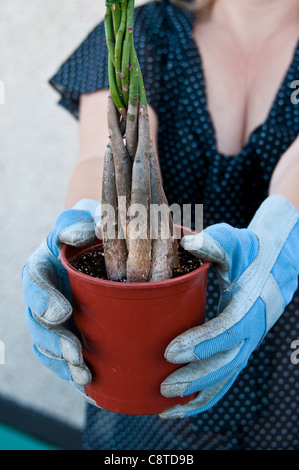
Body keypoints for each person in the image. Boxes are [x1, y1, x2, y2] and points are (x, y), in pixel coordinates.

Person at [22, 0, 299, 450]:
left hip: (286, 373)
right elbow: (102, 153)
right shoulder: (144, 30)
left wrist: (280, 245)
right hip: (141, 387)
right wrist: (94, 220)